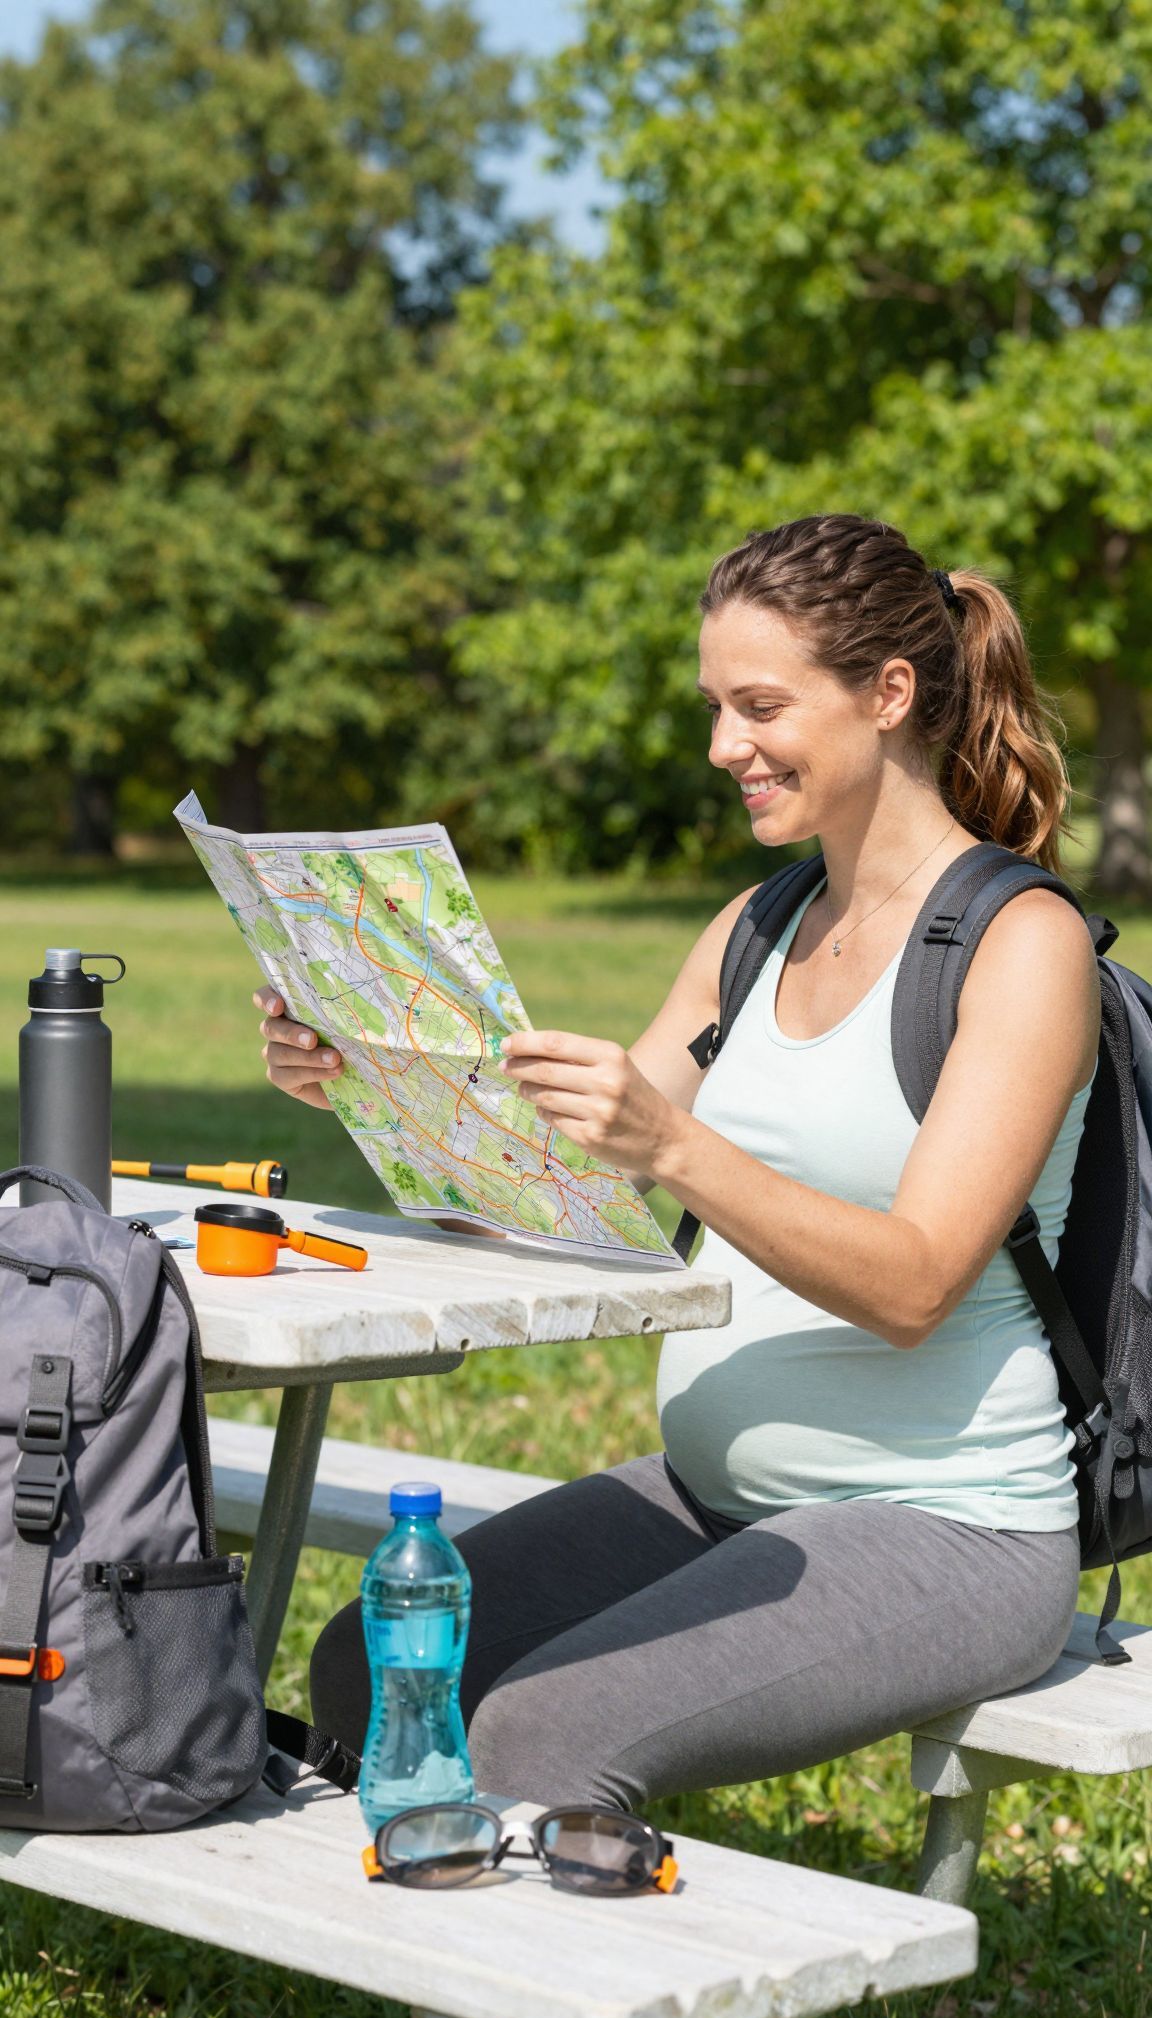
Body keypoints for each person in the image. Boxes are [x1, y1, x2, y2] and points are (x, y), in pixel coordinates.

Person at [254, 513, 1096, 1812]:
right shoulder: (757, 926)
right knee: (369, 1669)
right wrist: (361, 1068)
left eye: (761, 707)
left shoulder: (1021, 944)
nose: (722, 748)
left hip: (951, 1525)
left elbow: (917, 1285)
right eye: (715, 708)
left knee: (538, 1738)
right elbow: (555, 1184)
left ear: (889, 694)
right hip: (717, 1496)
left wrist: (676, 1146)